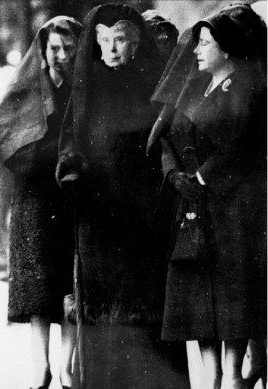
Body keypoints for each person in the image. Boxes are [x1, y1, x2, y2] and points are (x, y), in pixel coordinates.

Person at [55, 4, 180, 387]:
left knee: (147, 311)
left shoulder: (155, 87)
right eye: (104, 40)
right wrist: (71, 168)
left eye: (120, 39)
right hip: (99, 220)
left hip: (146, 217)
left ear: (137, 41)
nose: (111, 49)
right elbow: (69, 141)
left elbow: (171, 143)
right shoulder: (87, 88)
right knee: (103, 312)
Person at [148, 5, 266, 389]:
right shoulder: (195, 86)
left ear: (227, 49)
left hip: (233, 211)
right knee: (200, 306)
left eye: (206, 43)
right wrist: (173, 173)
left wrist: (202, 176)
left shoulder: (250, 89)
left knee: (232, 308)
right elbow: (167, 135)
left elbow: (241, 144)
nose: (197, 50)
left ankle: (232, 378)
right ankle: (212, 379)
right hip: (194, 207)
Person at [0, 16, 83, 389]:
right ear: (42, 50)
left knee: (72, 285)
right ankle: (40, 368)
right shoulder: (27, 89)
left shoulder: (84, 90)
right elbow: (1, 133)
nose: (61, 55)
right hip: (34, 200)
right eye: (54, 48)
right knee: (38, 288)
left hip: (72, 197)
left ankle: (67, 368)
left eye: (69, 48)